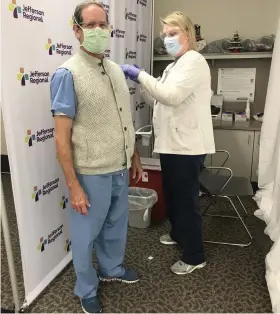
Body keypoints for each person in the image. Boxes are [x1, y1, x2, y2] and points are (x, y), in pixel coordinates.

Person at [50, 1, 142, 313]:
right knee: (86, 234)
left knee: (116, 225)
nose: (98, 31)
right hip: (90, 173)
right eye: (90, 25)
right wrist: (73, 185)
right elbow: (61, 139)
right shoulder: (66, 74)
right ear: (76, 31)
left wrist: (134, 155)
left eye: (103, 24)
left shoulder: (115, 70)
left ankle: (112, 269)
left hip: (119, 165)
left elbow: (123, 119)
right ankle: (86, 288)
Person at [121, 11, 215, 276]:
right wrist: (143, 86)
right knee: (173, 194)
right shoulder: (174, 65)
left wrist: (141, 76)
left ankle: (195, 255)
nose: (168, 39)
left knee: (186, 200)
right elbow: (158, 99)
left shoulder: (194, 61)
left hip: (187, 145)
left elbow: (172, 97)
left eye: (173, 34)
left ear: (187, 33)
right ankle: (177, 233)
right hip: (172, 144)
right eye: (165, 35)